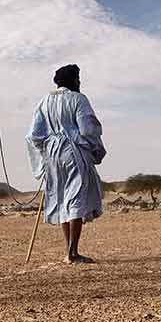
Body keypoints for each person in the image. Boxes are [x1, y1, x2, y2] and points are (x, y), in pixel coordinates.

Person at [27, 64, 106, 264]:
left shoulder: (44, 102)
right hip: (73, 151)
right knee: (76, 198)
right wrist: (95, 148)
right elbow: (88, 128)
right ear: (73, 80)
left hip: (53, 154)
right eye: (78, 79)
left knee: (62, 198)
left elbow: (34, 135)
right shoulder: (78, 99)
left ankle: (69, 250)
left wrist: (45, 154)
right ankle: (73, 253)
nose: (79, 82)